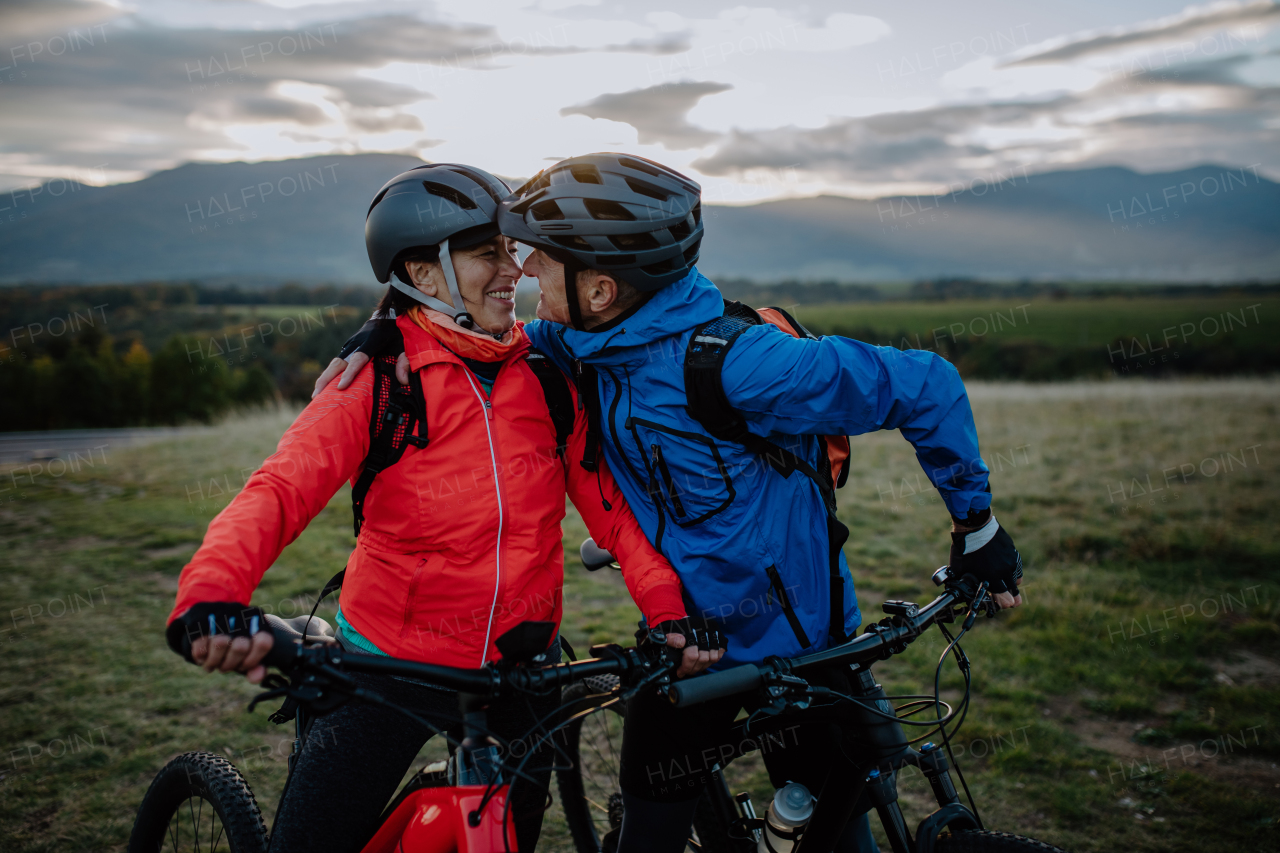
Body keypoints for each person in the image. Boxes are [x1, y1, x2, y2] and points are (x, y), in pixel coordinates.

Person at [321, 154, 1024, 852]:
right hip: (686, 651)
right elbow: (472, 332)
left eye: (542, 256)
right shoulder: (571, 344)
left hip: (809, 653)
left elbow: (926, 385)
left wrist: (977, 525)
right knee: (649, 834)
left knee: (840, 837)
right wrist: (389, 324)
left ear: (599, 289)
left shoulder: (743, 363)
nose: (525, 269)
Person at [166, 163, 722, 853]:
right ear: (425, 276)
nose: (511, 270)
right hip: (386, 666)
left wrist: (668, 608)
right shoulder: (378, 378)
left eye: (511, 251)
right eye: (487, 252)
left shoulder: (546, 377)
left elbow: (609, 513)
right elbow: (281, 488)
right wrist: (213, 591)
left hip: (521, 670)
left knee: (508, 838)